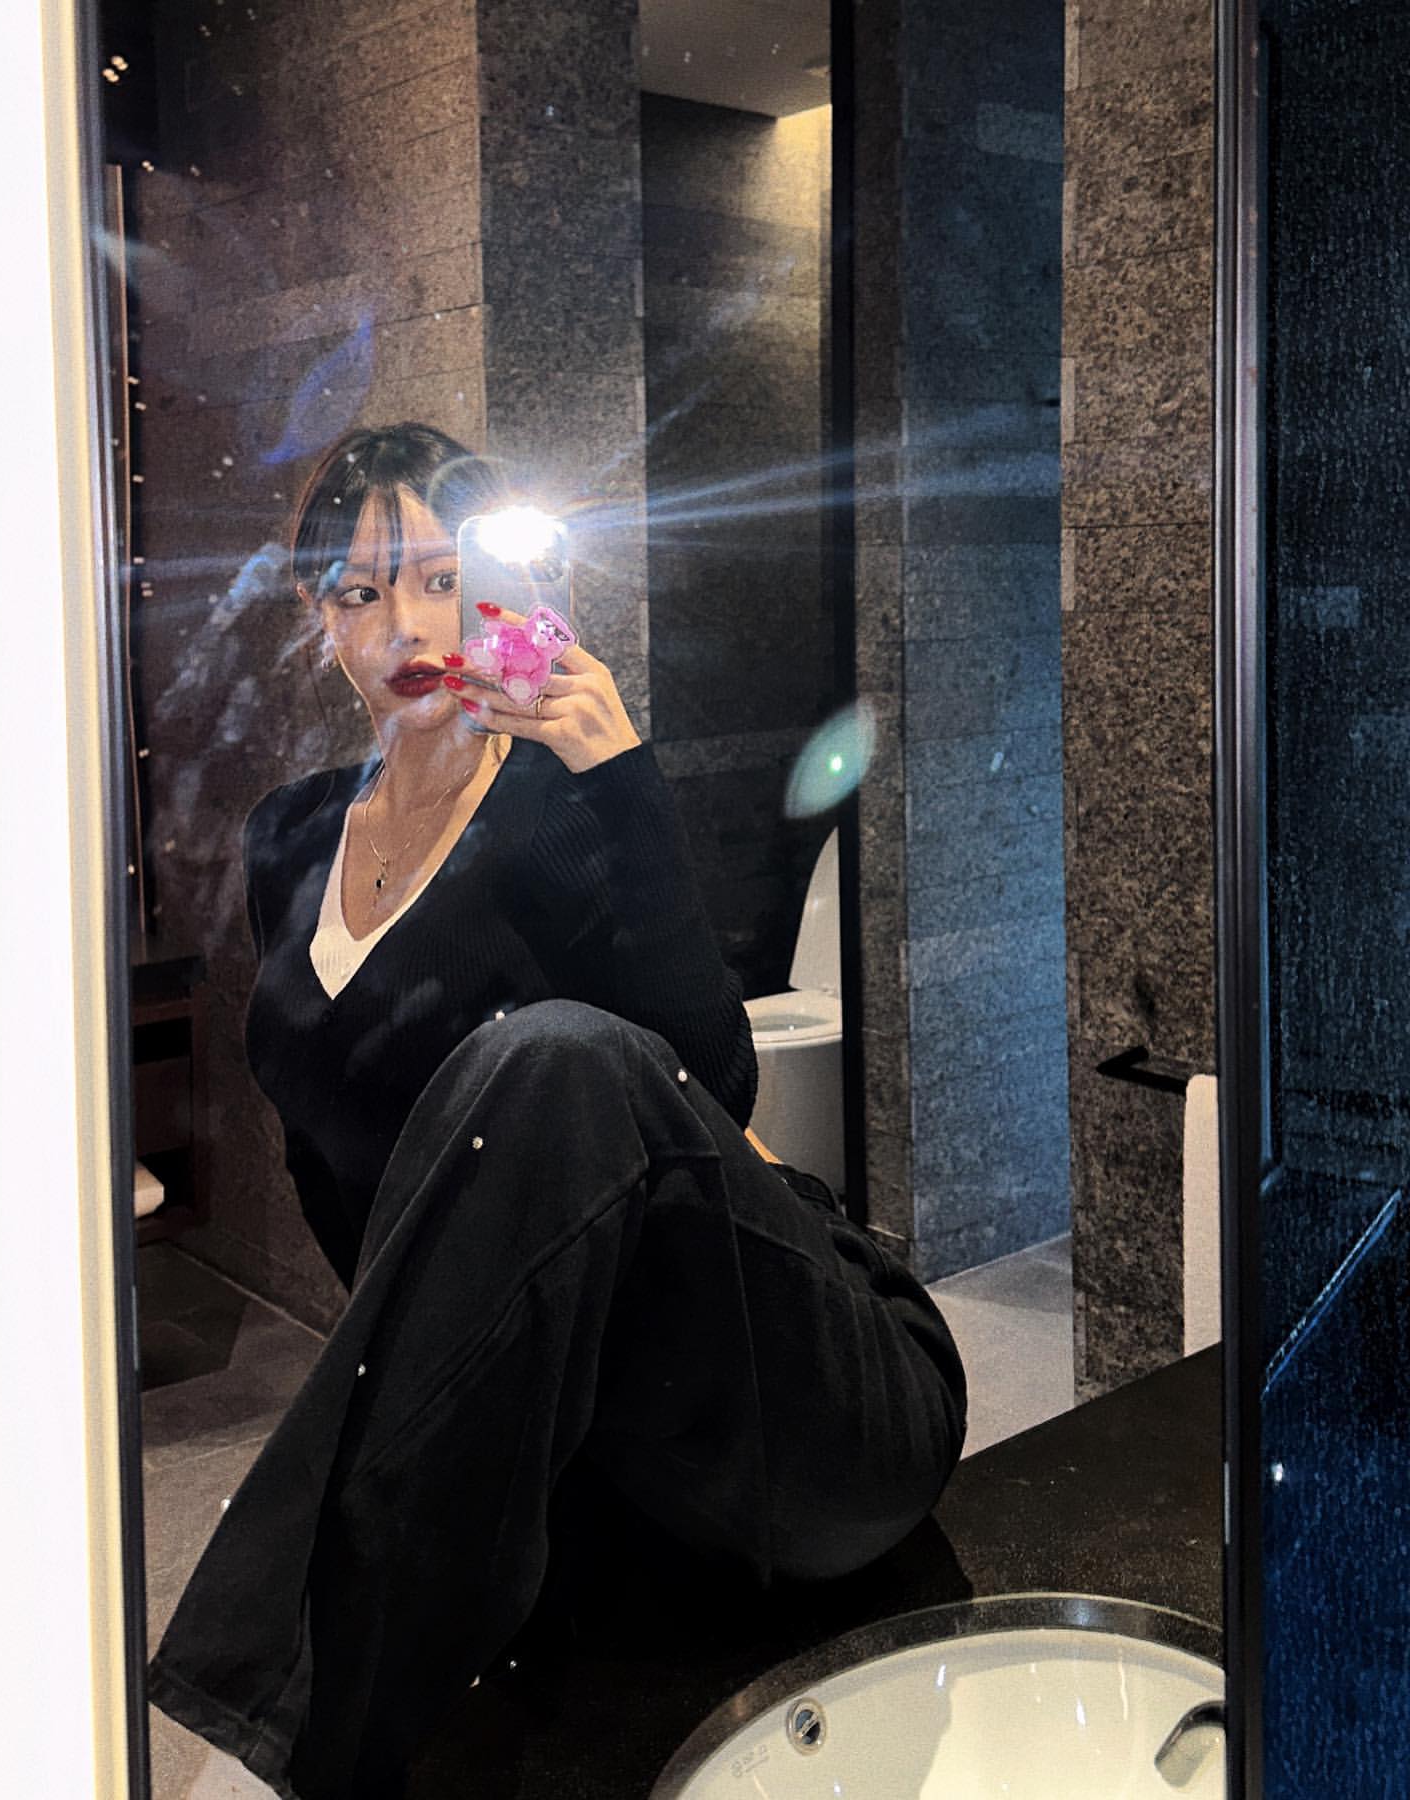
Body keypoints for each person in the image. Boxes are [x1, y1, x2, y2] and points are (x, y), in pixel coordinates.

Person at [146, 422, 967, 1800]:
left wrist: (621, 781)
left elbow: (715, 1087)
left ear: (499, 590)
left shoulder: (560, 801)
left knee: (551, 1060)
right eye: (361, 592)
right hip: (628, 1453)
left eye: (440, 578)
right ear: (318, 617)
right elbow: (348, 1180)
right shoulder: (292, 836)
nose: (409, 627)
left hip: (808, 1372)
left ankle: (297, 1705)